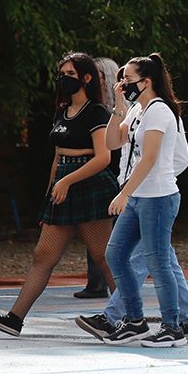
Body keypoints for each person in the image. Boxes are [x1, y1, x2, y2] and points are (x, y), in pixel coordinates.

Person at [0, 53, 119, 336]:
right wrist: (50, 194)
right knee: (43, 256)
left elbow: (103, 158)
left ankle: (129, 316)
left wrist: (68, 182)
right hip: (62, 187)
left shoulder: (97, 112)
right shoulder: (61, 112)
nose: (63, 78)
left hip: (89, 185)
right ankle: (14, 319)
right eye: (61, 73)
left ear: (86, 78)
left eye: (70, 73)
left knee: (103, 256)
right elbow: (57, 158)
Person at [75, 66, 188, 341]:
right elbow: (112, 141)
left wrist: (125, 193)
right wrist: (119, 105)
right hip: (137, 195)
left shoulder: (159, 110)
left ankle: (172, 327)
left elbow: (150, 158)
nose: (123, 83)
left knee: (157, 262)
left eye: (128, 80)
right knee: (116, 255)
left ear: (147, 81)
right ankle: (135, 320)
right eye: (122, 80)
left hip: (156, 196)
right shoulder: (136, 110)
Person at [74, 56, 121, 300]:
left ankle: (114, 287)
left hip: (111, 176)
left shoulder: (113, 112)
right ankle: (98, 283)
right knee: (95, 232)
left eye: (100, 75)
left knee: (106, 234)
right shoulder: (90, 108)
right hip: (96, 175)